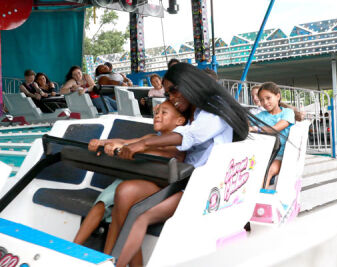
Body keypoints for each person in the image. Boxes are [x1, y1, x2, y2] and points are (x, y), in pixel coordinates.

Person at [89, 63, 265, 266]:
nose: (171, 97)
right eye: (168, 93)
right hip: (181, 177)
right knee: (125, 193)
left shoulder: (215, 109)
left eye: (174, 91)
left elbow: (190, 136)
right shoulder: (193, 111)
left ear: (189, 84)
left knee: (140, 217)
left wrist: (142, 144)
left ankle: (115, 263)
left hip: (199, 186)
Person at [73, 101, 186, 246]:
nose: (157, 116)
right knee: (101, 203)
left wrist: (126, 148)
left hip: (153, 186)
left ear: (180, 120)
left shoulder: (180, 142)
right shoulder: (150, 137)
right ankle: (74, 247)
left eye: (163, 113)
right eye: (156, 113)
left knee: (119, 213)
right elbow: (124, 141)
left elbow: (161, 154)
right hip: (133, 177)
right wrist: (102, 142)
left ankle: (108, 256)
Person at [249, 82, 302, 188]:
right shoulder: (260, 115)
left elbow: (276, 129)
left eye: (268, 98)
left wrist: (257, 129)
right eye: (262, 100)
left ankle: (261, 200)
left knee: (267, 173)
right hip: (264, 153)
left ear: (278, 96)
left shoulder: (287, 112)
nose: (265, 102)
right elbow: (245, 124)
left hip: (282, 155)